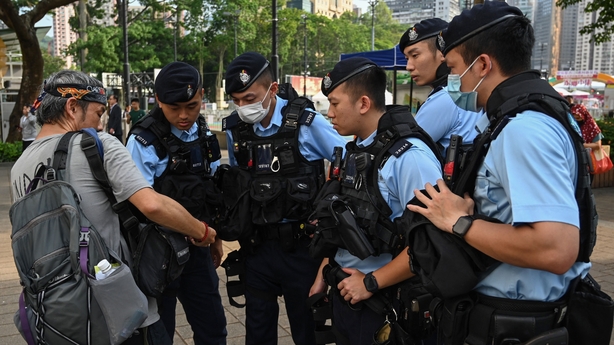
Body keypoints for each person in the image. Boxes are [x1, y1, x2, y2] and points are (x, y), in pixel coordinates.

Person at [407, 2, 592, 343]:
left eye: (453, 68)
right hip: (506, 314)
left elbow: (556, 249)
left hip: (515, 322)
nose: (450, 81)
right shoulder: (520, 115)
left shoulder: (525, 128)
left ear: (482, 65)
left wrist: (459, 223)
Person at [10, 69, 217, 345]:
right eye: (97, 113)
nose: (99, 122)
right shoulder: (96, 144)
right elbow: (151, 205)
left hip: (63, 312)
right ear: (73, 107)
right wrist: (203, 231)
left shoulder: (18, 167)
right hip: (121, 309)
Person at [308, 57, 442, 344]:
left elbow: (430, 243)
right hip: (349, 294)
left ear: (364, 103)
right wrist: (323, 271)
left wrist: (371, 282)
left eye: (334, 103)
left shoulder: (409, 158)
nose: (328, 113)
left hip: (385, 304)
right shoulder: (356, 149)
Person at [222, 51, 347, 345]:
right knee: (258, 332)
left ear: (272, 89)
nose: (242, 107)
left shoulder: (305, 123)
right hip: (257, 247)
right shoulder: (235, 128)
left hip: (302, 249)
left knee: (307, 332)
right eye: (236, 100)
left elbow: (347, 159)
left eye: (249, 98)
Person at [126, 61, 227, 345]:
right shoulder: (143, 140)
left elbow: (210, 187)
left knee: (213, 327)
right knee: (160, 334)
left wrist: (215, 237)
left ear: (202, 96)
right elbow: (140, 204)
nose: (184, 116)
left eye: (192, 106)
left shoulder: (203, 132)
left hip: (198, 247)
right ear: (158, 100)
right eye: (174, 108)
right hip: (159, 254)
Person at [399, 18, 481, 154]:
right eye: (407, 59)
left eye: (415, 55)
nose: (409, 66)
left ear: (442, 52)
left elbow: (404, 155)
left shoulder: (446, 97)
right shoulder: (466, 90)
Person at [566, 95, 605, 184]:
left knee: (586, 186)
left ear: (584, 115)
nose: (577, 120)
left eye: (579, 117)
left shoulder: (592, 127)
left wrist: (580, 145)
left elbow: (597, 145)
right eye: (574, 117)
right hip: (573, 164)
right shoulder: (572, 126)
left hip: (587, 163)